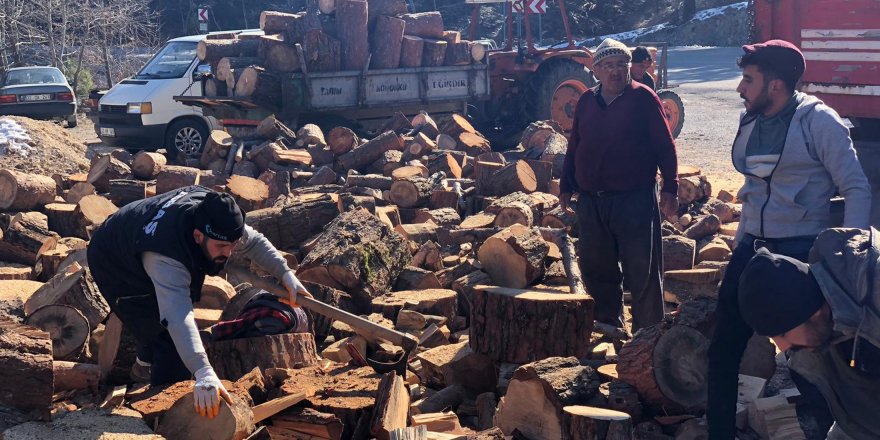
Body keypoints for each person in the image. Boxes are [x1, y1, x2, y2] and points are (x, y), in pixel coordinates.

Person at [705, 39, 872, 439]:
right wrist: (739, 245)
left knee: (815, 361)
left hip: (803, 252)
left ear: (775, 84)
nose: (740, 88)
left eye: (748, 79)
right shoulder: (751, 119)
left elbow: (856, 189)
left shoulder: (820, 121)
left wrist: (849, 265)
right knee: (723, 346)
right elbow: (752, 191)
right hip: (754, 248)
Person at [87, 186, 311, 419]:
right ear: (197, 236)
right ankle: (163, 414)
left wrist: (286, 275)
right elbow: (177, 318)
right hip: (112, 258)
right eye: (222, 247)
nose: (230, 252)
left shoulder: (217, 216)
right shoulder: (165, 258)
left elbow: (254, 243)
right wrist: (203, 371)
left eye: (233, 245)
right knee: (165, 337)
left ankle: (143, 363)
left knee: (167, 312)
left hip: (140, 229)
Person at [560, 38, 679, 332]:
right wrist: (566, 184)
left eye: (621, 65)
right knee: (597, 267)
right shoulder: (587, 100)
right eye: (608, 66)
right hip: (592, 199)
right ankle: (609, 325)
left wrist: (671, 187)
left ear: (629, 67)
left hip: (634, 199)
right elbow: (575, 144)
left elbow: (665, 145)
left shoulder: (644, 98)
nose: (615, 72)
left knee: (643, 269)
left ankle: (648, 334)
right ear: (597, 70)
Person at [738, 232, 880, 440]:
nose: (783, 347)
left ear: (813, 312)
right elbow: (849, 418)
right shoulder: (812, 338)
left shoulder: (875, 294)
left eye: (783, 333)